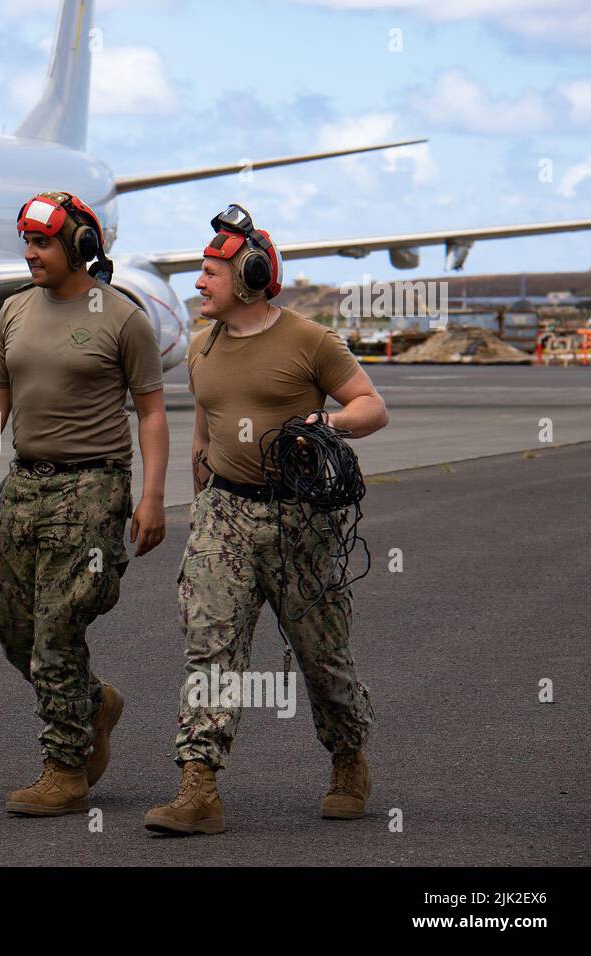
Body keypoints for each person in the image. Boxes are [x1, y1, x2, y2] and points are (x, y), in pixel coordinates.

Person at [144, 204, 387, 836]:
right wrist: (199, 498)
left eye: (209, 272)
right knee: (209, 649)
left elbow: (371, 406)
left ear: (249, 275)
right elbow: (204, 429)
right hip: (223, 512)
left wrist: (326, 424)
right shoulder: (202, 347)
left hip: (300, 521)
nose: (198, 283)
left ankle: (348, 759)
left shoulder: (310, 341)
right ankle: (198, 787)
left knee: (322, 655)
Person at [0, 190, 170, 816]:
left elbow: (151, 413)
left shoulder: (122, 318)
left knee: (57, 625)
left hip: (94, 488)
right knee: (6, 616)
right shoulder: (14, 311)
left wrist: (152, 498)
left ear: (81, 247)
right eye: (28, 242)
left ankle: (65, 767)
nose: (31, 253)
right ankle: (93, 703)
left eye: (42, 242)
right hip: (25, 485)